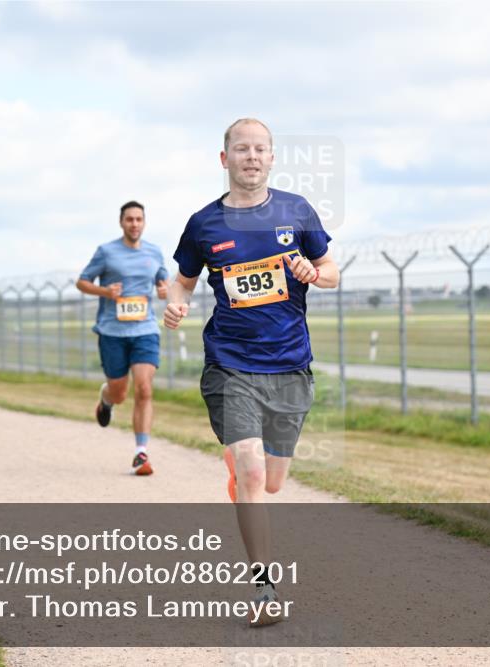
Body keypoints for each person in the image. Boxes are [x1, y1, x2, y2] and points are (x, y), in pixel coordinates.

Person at [163, 118, 340, 626]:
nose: (251, 157)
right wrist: (175, 306)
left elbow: (331, 271)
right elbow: (182, 283)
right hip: (230, 363)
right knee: (251, 470)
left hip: (289, 366)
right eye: (241, 149)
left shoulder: (295, 210)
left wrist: (314, 273)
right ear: (225, 159)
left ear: (272, 157)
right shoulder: (203, 224)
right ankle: (264, 591)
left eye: (260, 149)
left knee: (274, 482)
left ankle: (245, 483)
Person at [76, 201, 169, 476]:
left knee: (144, 388)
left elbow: (163, 280)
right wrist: (105, 292)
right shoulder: (106, 251)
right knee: (120, 392)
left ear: (144, 222)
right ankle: (106, 399)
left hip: (145, 330)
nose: (134, 224)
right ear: (121, 222)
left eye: (139, 219)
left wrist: (164, 289)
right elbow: (82, 281)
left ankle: (141, 453)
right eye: (129, 219)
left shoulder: (154, 252)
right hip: (112, 332)